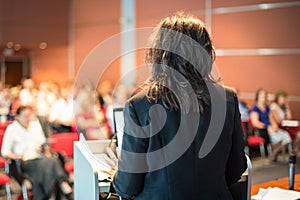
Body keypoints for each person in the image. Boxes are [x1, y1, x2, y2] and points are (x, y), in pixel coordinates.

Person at [111, 12, 247, 200]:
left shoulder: (139, 105)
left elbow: (127, 187)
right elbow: (237, 168)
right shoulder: (228, 99)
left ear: (159, 53)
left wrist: (115, 176)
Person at [1, 106, 73, 199]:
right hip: (25, 161)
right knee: (52, 162)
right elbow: (5, 151)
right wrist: (15, 156)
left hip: (40, 157)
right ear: (17, 117)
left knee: (51, 161)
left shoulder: (34, 125)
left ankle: (54, 195)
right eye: (25, 116)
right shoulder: (12, 129)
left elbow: (42, 141)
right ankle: (64, 189)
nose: (28, 118)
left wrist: (43, 149)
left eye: (29, 115)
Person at [250, 88, 292, 161]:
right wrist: (267, 127)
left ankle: (275, 150)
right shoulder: (255, 108)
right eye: (262, 96)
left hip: (271, 128)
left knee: (286, 136)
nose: (264, 97)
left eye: (265, 95)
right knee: (277, 137)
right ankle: (274, 150)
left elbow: (271, 118)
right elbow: (255, 123)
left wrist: (274, 125)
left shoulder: (267, 107)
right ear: (258, 97)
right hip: (263, 130)